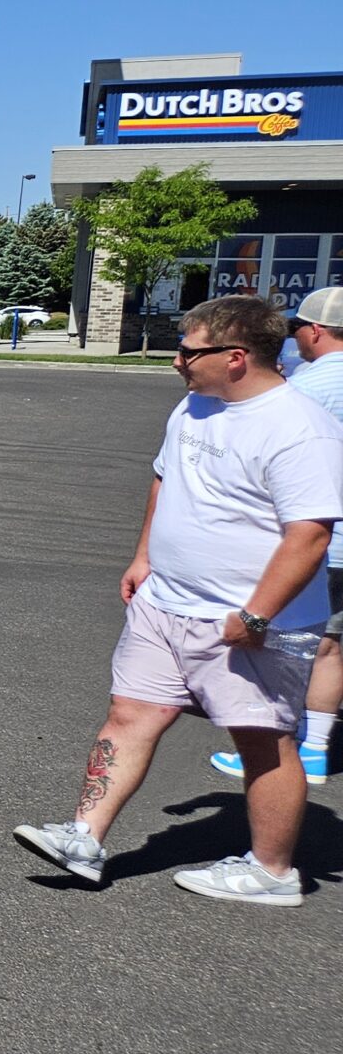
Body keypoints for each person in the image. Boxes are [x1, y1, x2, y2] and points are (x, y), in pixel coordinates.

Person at [12, 296, 343, 907]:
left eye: (189, 351)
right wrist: (144, 558)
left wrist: (256, 614)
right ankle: (84, 838)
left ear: (236, 358)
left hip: (248, 622)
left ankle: (273, 872)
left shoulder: (299, 428)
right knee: (130, 715)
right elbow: (167, 479)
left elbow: (310, 534)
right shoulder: (194, 405)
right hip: (165, 603)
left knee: (262, 740)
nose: (177, 362)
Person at [202, 286, 343, 788]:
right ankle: (320, 746)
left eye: (298, 329)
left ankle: (278, 749)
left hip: (318, 537)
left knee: (294, 645)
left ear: (314, 331)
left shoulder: (309, 386)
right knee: (335, 645)